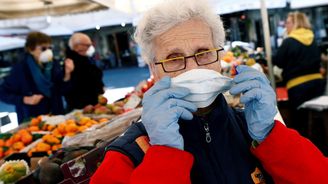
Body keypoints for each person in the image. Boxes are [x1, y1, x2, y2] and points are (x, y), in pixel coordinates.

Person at [91, 1, 328, 183]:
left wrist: (272, 137)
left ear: (219, 57)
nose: (193, 67)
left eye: (203, 52)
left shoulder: (254, 130)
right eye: (174, 58)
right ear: (154, 69)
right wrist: (164, 155)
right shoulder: (128, 153)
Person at [0, 32, 74, 123]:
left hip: (56, 115)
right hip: (33, 119)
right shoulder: (20, 69)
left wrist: (67, 74)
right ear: (31, 50)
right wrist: (25, 99)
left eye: (50, 48)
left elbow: (62, 90)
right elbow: (3, 93)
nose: (48, 51)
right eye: (43, 48)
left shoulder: (54, 64)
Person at [273, 12, 326, 135]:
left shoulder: (289, 41)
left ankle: (305, 150)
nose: (286, 25)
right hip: (317, 83)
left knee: (299, 122)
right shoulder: (313, 38)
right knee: (316, 118)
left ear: (296, 23)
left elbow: (278, 61)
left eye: (288, 22)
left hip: (298, 86)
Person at [64, 33, 104, 111]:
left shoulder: (85, 58)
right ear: (77, 46)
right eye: (88, 45)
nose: (91, 47)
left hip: (93, 104)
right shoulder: (70, 62)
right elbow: (70, 87)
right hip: (81, 108)